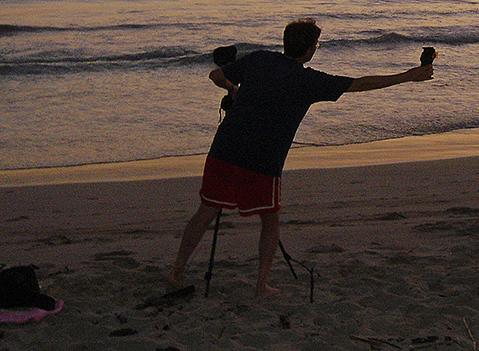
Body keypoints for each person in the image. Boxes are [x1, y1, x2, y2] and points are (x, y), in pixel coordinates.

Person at [167, 18, 434, 298]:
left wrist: (233, 89)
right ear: (308, 50)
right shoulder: (308, 81)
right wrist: (408, 75)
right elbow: (360, 84)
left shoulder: (260, 60)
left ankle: (177, 271)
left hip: (225, 148)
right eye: (315, 44)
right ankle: (261, 284)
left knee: (206, 211)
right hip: (262, 159)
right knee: (270, 219)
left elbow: (217, 76)